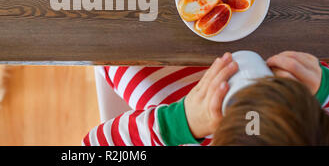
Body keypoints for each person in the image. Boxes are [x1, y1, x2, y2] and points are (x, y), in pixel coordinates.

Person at [82, 51, 329, 146]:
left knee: (122, 55)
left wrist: (179, 123)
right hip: (294, 79)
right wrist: (323, 89)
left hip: (184, 115)